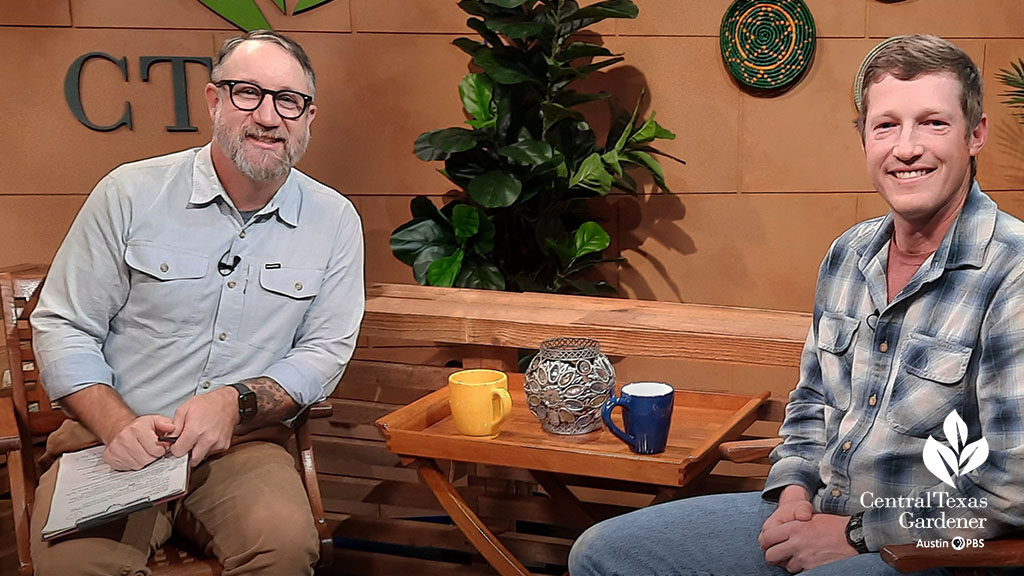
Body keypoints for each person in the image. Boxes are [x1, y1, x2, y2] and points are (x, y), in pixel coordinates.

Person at [569, 34, 1024, 576]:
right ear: (863, 139)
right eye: (885, 125)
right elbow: (810, 403)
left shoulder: (1012, 271)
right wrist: (791, 493)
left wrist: (858, 534)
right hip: (823, 508)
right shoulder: (848, 254)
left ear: (975, 135)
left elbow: (1011, 486)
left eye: (933, 122)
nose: (906, 148)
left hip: (933, 548)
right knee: (604, 553)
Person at [29, 30, 364, 575]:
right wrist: (117, 424)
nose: (268, 116)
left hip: (242, 449)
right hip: (110, 445)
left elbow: (325, 351)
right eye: (247, 93)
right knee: (76, 568)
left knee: (284, 548)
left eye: (288, 100)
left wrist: (236, 402)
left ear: (307, 117)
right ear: (214, 100)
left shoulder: (334, 220)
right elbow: (65, 325)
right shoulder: (130, 193)